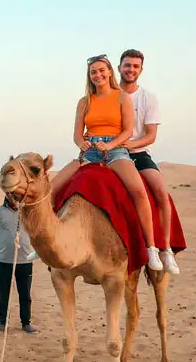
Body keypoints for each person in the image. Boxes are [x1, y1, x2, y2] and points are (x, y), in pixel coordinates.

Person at [49, 54, 163, 271]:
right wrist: (82, 144)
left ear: (110, 72)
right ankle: (50, 239)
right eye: (94, 72)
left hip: (116, 150)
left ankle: (151, 248)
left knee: (139, 192)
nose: (98, 75)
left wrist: (111, 147)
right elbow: (76, 134)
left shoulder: (121, 98)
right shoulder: (84, 102)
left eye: (102, 70)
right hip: (90, 150)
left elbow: (128, 130)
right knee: (53, 187)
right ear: (89, 76)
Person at [118, 49, 180, 275]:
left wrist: (127, 146)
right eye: (127, 65)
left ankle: (164, 249)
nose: (130, 70)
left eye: (135, 66)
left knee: (161, 193)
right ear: (119, 68)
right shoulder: (109, 94)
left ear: (140, 70)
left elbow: (150, 136)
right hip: (112, 154)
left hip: (138, 153)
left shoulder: (148, 98)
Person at [0, 197, 39, 334]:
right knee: (4, 293)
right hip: (4, 261)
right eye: (11, 194)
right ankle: (2, 322)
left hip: (25, 261)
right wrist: (5, 246)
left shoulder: (28, 212)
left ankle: (26, 323)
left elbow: (35, 232)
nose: (14, 197)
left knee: (25, 294)